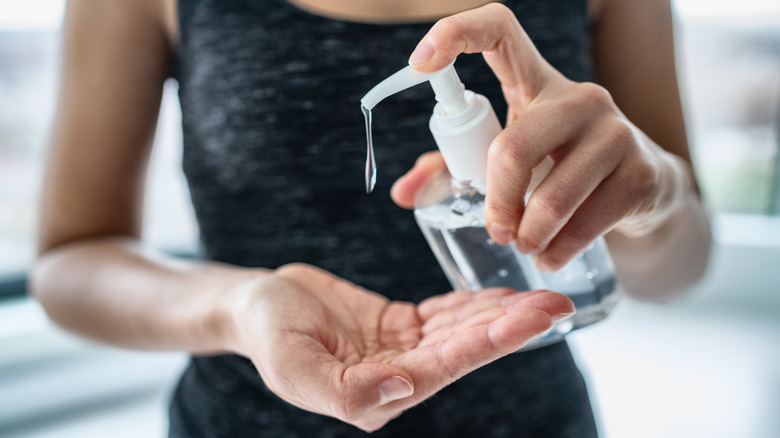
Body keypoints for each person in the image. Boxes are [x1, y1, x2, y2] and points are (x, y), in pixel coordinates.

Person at [33, 0, 711, 436]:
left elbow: (678, 271)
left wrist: (659, 195)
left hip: (536, 422)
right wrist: (238, 305)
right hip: (239, 422)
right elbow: (71, 262)